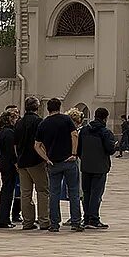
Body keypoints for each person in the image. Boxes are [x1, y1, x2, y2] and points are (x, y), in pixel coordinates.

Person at [36, 96, 82, 232]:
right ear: (59, 107)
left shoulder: (43, 124)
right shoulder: (66, 120)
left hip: (53, 162)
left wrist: (46, 158)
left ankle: (54, 223)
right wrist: (73, 153)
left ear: (47, 108)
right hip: (68, 160)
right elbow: (74, 135)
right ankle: (75, 222)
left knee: (54, 193)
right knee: (73, 192)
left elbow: (37, 145)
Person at [14, 95, 50, 230]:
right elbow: (41, 142)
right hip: (36, 160)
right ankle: (44, 220)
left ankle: (27, 221)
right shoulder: (39, 122)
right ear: (37, 107)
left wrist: (18, 159)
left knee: (25, 193)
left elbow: (15, 144)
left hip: (22, 161)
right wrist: (46, 157)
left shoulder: (19, 122)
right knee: (42, 190)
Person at [78, 106, 117, 229]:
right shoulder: (105, 132)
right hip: (100, 166)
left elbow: (79, 149)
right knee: (96, 193)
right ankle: (94, 219)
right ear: (105, 118)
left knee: (86, 192)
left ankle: (86, 217)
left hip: (86, 166)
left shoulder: (84, 130)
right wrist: (114, 145)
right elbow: (110, 150)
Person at [0, 110, 21, 228]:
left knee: (5, 190)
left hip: (3, 162)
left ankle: (3, 218)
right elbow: (12, 151)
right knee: (8, 191)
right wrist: (16, 163)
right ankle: (4, 219)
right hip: (9, 164)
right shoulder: (10, 133)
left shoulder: (1, 132)